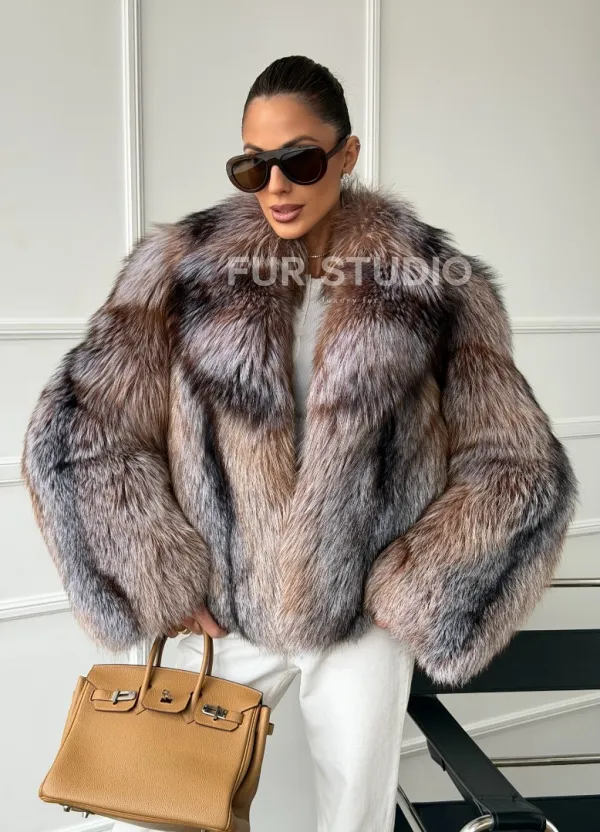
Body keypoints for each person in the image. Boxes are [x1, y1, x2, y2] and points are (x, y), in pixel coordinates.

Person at [21, 55, 577, 832]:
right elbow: (82, 429)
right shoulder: (184, 266)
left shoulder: (437, 283)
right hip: (224, 611)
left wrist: (415, 588)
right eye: (253, 165)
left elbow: (515, 463)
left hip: (359, 624)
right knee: (149, 812)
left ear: (347, 155)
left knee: (354, 820)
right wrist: (159, 576)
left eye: (300, 160)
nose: (276, 185)